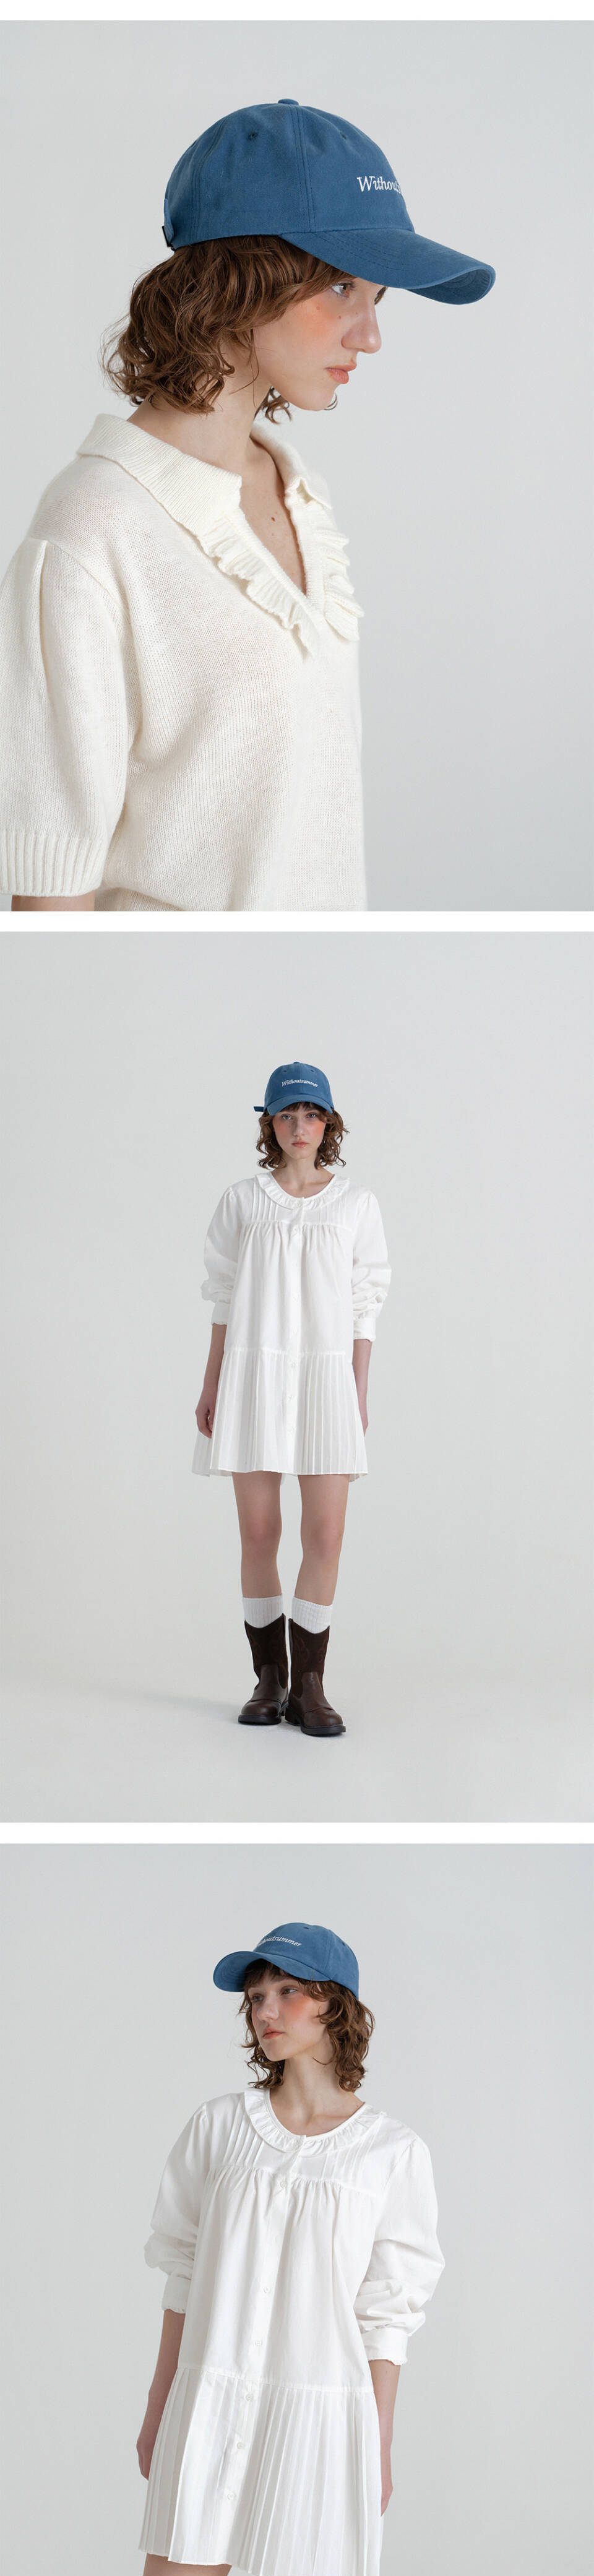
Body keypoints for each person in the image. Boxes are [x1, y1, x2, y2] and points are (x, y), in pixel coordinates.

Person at [1, 98, 494, 918]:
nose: (370, 336)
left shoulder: (298, 491)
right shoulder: (91, 535)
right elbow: (53, 900)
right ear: (240, 282)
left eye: (378, 297)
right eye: (341, 286)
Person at [132, 1919, 443, 2576]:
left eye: (287, 1992)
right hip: (210, 2407)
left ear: (335, 2004)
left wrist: (377, 2442)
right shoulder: (218, 2128)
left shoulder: (391, 2153)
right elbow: (183, 2272)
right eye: (256, 1997)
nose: (266, 2011)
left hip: (321, 2419)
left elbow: (388, 2312)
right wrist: (160, 2405)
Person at [194, 1058, 390, 1738]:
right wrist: (212, 1381)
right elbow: (223, 1296)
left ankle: (310, 1686)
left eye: (311, 1114)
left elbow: (365, 1304)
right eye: (286, 1114)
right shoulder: (242, 1201)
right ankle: (269, 1680)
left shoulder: (357, 1205)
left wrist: (357, 1390)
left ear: (329, 1123)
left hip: (325, 1379)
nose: (299, 1126)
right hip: (254, 1375)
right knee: (259, 1532)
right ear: (269, 1124)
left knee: (325, 1534)